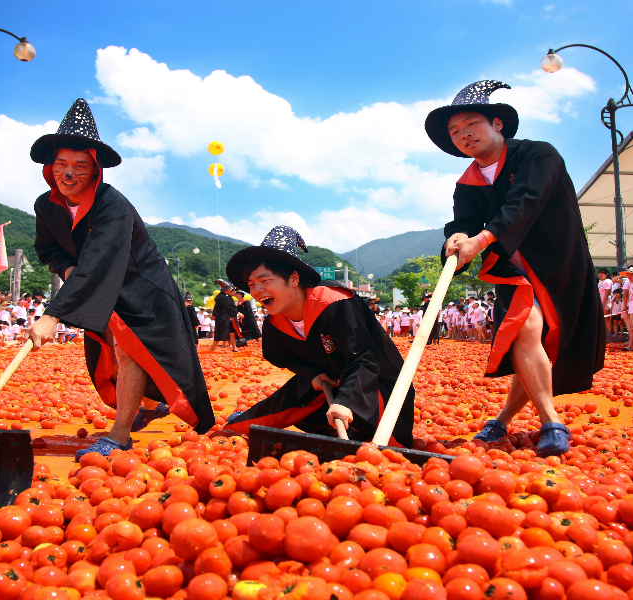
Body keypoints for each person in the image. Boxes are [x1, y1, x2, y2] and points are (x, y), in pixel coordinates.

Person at [27, 99, 213, 456]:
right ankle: (144, 405)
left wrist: (53, 314)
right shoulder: (45, 206)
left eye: (80, 166)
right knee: (114, 354)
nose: (69, 174)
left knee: (132, 353)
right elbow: (50, 250)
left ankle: (120, 434)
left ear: (95, 170)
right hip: (99, 285)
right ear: (50, 168)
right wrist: (67, 269)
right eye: (61, 165)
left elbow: (99, 260)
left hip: (142, 289)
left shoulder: (112, 205)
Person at [428, 79, 604, 456]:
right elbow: (464, 220)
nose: (463, 134)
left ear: (498, 124)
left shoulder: (539, 156)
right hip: (511, 269)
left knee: (537, 343)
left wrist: (481, 240)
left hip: (558, 264)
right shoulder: (467, 184)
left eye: (470, 124)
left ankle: (503, 419)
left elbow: (525, 202)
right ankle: (551, 422)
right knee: (525, 329)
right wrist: (457, 236)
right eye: (455, 132)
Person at [223, 226, 415, 447]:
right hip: (330, 382)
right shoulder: (274, 322)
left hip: (373, 382)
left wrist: (346, 402)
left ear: (294, 279)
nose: (256, 291)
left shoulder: (335, 302)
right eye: (251, 285)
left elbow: (365, 357)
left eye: (265, 281)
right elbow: (278, 356)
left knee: (382, 447)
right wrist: (312, 373)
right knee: (280, 409)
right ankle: (243, 421)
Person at [211, 281, 239, 352]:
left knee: (232, 333)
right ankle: (212, 348)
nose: (231, 289)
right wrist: (236, 313)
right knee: (219, 333)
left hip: (227, 317)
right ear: (227, 289)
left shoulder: (225, 296)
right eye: (230, 288)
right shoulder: (221, 297)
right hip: (222, 318)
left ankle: (234, 348)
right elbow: (226, 307)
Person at [597, 268, 613, 335]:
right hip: (600, 301)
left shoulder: (608, 281)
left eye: (602, 273)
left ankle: (609, 332)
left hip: (606, 302)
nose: (600, 274)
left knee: (607, 318)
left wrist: (603, 303)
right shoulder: (600, 282)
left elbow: (607, 292)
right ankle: (605, 331)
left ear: (606, 274)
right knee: (603, 318)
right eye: (599, 273)